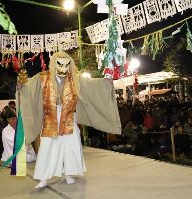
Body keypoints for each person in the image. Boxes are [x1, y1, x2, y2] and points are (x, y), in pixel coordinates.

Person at [17, 52, 121, 188]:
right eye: (60, 64)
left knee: (71, 146)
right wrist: (22, 85)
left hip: (69, 117)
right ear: (54, 63)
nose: (64, 68)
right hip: (50, 118)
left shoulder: (75, 78)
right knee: (47, 147)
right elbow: (29, 88)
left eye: (67, 64)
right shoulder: (43, 77)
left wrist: (105, 81)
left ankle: (69, 172)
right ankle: (44, 177)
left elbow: (91, 85)